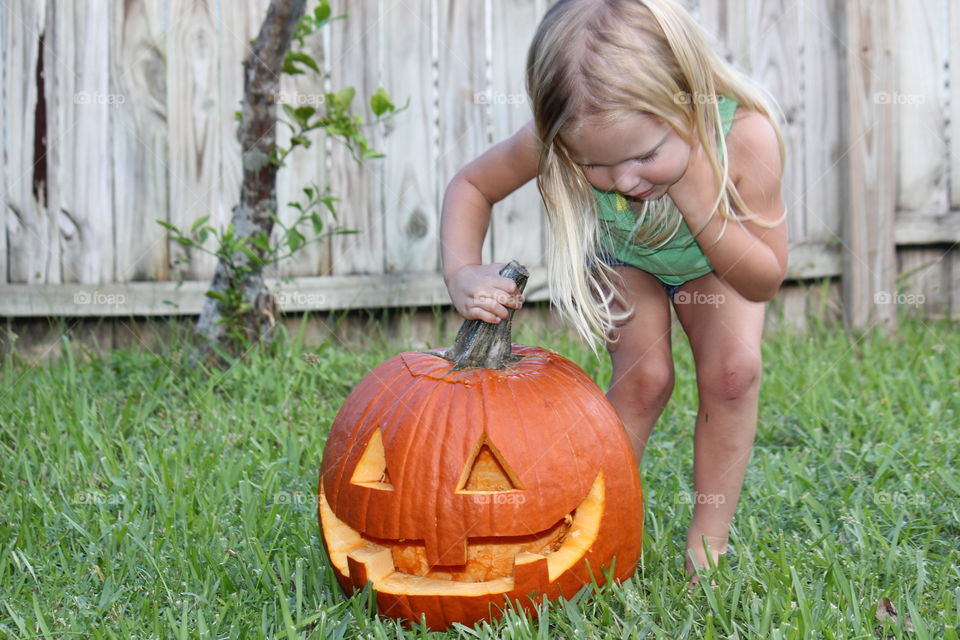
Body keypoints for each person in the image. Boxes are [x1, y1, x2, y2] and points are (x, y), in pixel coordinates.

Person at [440, 0, 788, 586]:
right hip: (626, 258)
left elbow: (764, 277)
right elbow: (472, 184)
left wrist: (703, 203)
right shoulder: (572, 129)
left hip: (719, 264)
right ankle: (589, 525)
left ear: (687, 96)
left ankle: (708, 546)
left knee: (734, 373)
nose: (625, 181)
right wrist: (461, 272)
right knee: (644, 381)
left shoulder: (745, 136)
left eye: (648, 155)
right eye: (597, 166)